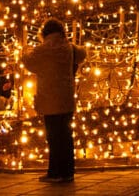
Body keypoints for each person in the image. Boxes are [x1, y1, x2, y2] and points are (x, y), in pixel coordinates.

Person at [22, 18, 87, 184]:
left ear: (45, 33)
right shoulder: (69, 48)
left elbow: (28, 62)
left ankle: (55, 172)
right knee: (66, 137)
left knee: (53, 138)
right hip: (66, 99)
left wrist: (23, 52)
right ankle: (67, 172)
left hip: (50, 100)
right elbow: (83, 54)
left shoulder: (42, 50)